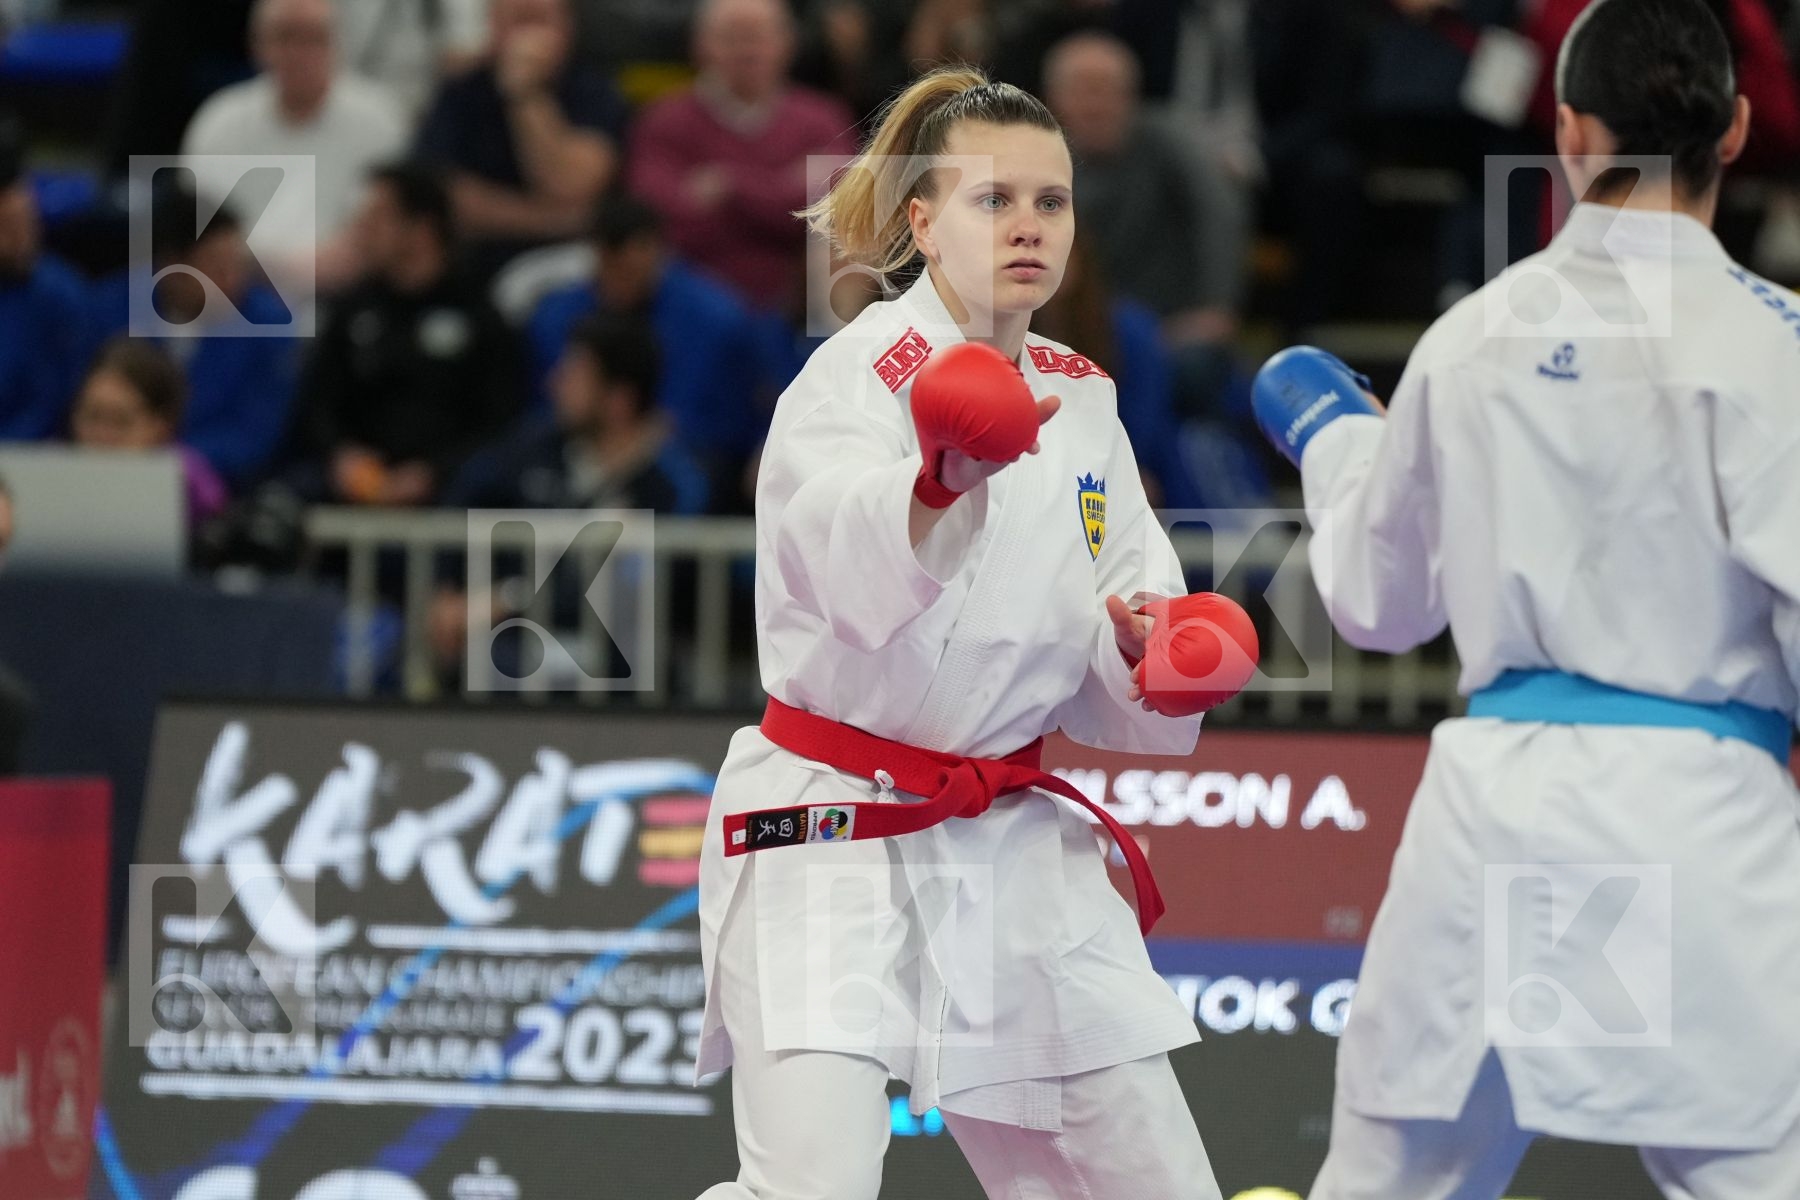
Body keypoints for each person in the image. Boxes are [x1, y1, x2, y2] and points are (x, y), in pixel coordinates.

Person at [1249, 2, 1800, 1196]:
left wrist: (1338, 438)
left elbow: (1376, 606)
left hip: (1489, 820)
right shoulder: (1781, 350)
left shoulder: (1473, 336)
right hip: (1695, 819)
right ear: (1739, 127)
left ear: (1567, 132)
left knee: (1392, 1179)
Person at [693, 66, 1256, 1200]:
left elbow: (1110, 625)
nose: (1029, 226)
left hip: (1007, 843)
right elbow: (832, 564)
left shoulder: (1082, 396)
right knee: (809, 1191)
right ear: (922, 222)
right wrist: (933, 485)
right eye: (992, 201)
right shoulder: (854, 376)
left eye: (1051, 203)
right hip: (828, 829)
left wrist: (1159, 657)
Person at [1042, 31, 1245, 421]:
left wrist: (1217, 305)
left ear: (1132, 97)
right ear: (1053, 99)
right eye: (1084, 91)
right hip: (1068, 333)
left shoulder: (1167, 142)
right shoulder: (1032, 159)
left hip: (1170, 326)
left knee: (1197, 372)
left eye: (1109, 91)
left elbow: (1220, 213)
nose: (1096, 106)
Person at [295, 161, 521, 506]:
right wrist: (343, 455)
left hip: (445, 491)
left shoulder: (480, 316)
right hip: (354, 485)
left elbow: (498, 421)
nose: (362, 229)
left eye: (378, 218)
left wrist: (435, 471)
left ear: (421, 228)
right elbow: (319, 401)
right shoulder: (352, 309)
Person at [526, 195, 766, 508]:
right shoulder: (557, 316)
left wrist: (653, 435)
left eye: (634, 268)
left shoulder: (717, 319)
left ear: (659, 252)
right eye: (613, 268)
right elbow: (546, 407)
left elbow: (736, 424)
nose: (622, 283)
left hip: (690, 460)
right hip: (579, 454)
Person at [626, 0, 858, 316]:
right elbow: (662, 218)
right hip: (691, 300)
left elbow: (837, 207)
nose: (747, 50)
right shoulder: (663, 121)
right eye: (732, 37)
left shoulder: (823, 120)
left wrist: (730, 186)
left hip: (798, 302)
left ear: (788, 43)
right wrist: (783, 193)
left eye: (759, 36)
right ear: (700, 46)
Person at [180, 0, 410, 291]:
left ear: (338, 43)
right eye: (286, 36)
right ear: (258, 44)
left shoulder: (382, 121)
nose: (299, 53)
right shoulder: (218, 124)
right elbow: (197, 232)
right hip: (239, 295)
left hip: (353, 294)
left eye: (314, 38)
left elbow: (394, 230)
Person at [90, 183, 301, 489]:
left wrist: (168, 461)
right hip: (108, 476)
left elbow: (257, 432)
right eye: (217, 266)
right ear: (172, 264)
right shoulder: (110, 311)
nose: (233, 280)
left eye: (238, 265)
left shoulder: (268, 325)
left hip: (222, 488)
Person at [413, 0, 628, 270]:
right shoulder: (462, 91)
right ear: (493, 27)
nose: (528, 40)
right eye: (519, 22)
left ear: (568, 26)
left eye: (539, 21)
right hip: (472, 262)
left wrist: (526, 93)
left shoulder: (595, 91)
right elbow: (440, 198)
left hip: (572, 264)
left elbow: (570, 185)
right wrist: (555, 221)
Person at [71, 339, 230, 532]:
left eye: (120, 421)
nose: (102, 434)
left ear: (161, 425)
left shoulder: (191, 487)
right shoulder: (47, 476)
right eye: (93, 416)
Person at [0, 126, 93, 441]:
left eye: (23, 224)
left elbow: (54, 404)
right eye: (4, 228)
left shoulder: (60, 296)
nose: (17, 242)